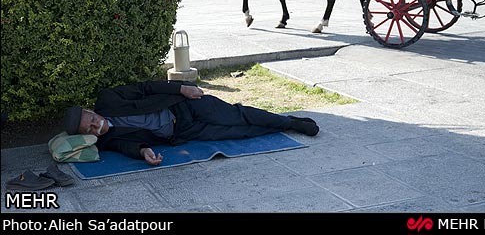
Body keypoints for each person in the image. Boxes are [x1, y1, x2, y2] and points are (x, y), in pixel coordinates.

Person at [63, 80, 319, 165]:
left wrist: (182, 88)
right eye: (91, 129)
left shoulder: (108, 99)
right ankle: (281, 125)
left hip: (183, 106)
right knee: (237, 133)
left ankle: (291, 123)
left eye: (93, 120)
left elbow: (146, 88)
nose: (97, 126)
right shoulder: (106, 140)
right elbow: (126, 147)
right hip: (182, 130)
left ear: (91, 110)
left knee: (236, 115)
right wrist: (144, 152)